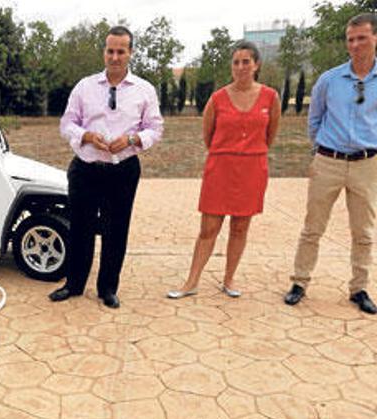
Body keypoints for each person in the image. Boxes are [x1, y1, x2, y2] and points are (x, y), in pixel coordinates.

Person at [50, 25, 164, 308]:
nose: (115, 57)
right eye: (110, 51)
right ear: (104, 52)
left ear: (130, 53)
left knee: (116, 230)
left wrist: (133, 139)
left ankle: (108, 288)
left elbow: (155, 128)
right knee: (80, 228)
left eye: (121, 51)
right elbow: (67, 123)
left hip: (123, 171)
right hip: (86, 169)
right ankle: (74, 284)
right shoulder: (85, 87)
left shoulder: (144, 90)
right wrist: (86, 136)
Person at [167, 41, 281, 300]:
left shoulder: (270, 97)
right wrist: (226, 152)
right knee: (208, 228)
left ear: (256, 65)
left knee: (240, 228)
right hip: (220, 168)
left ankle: (229, 279)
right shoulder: (218, 98)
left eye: (246, 62)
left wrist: (250, 152)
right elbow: (208, 135)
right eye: (236, 62)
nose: (240, 67)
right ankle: (191, 281)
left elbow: (270, 135)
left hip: (253, 168)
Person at [284, 13, 377, 314]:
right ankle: (299, 282)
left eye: (361, 38)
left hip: (367, 164)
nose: (355, 44)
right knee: (313, 227)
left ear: (375, 38)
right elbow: (315, 119)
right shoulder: (329, 79)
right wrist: (318, 153)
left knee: (363, 231)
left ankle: (359, 288)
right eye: (350, 39)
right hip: (329, 161)